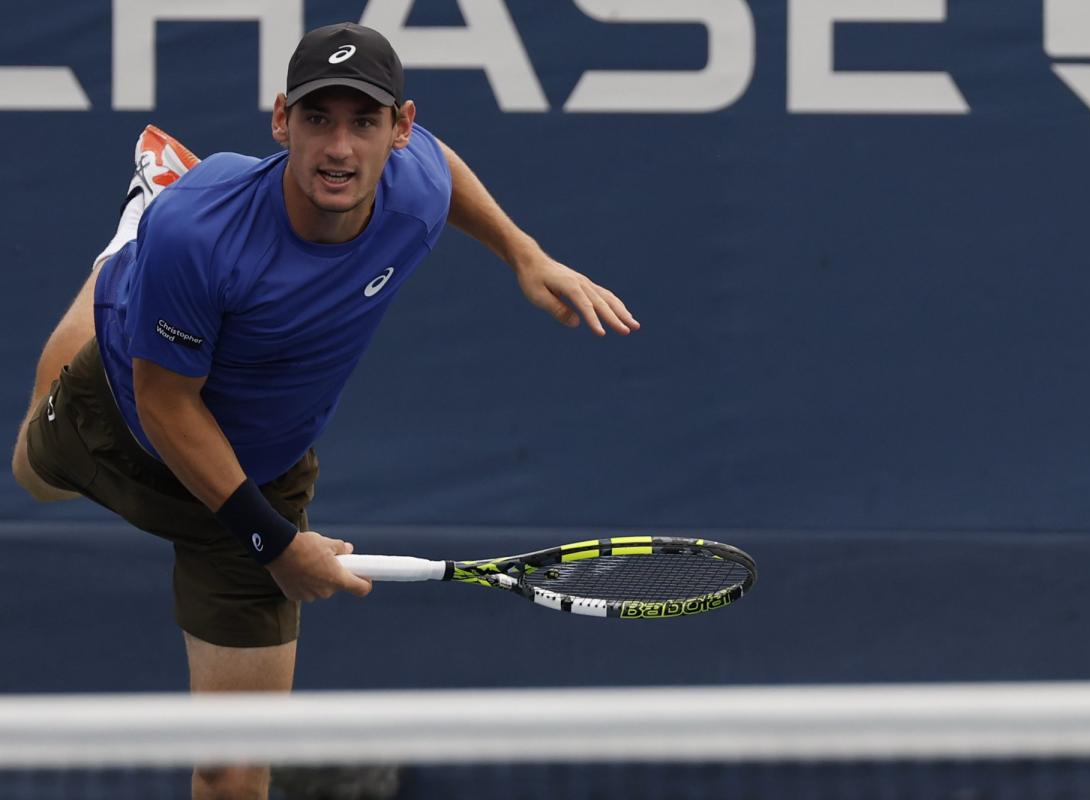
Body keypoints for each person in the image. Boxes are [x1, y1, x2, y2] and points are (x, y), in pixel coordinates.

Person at [9, 21, 638, 800]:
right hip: (126, 412)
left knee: (232, 774)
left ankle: (138, 250)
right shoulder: (201, 236)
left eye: (364, 122)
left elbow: (440, 164)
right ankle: (131, 237)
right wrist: (277, 545)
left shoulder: (413, 185)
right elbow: (166, 404)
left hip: (259, 475)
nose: (339, 149)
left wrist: (524, 254)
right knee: (33, 475)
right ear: (282, 120)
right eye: (317, 119)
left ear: (399, 129)